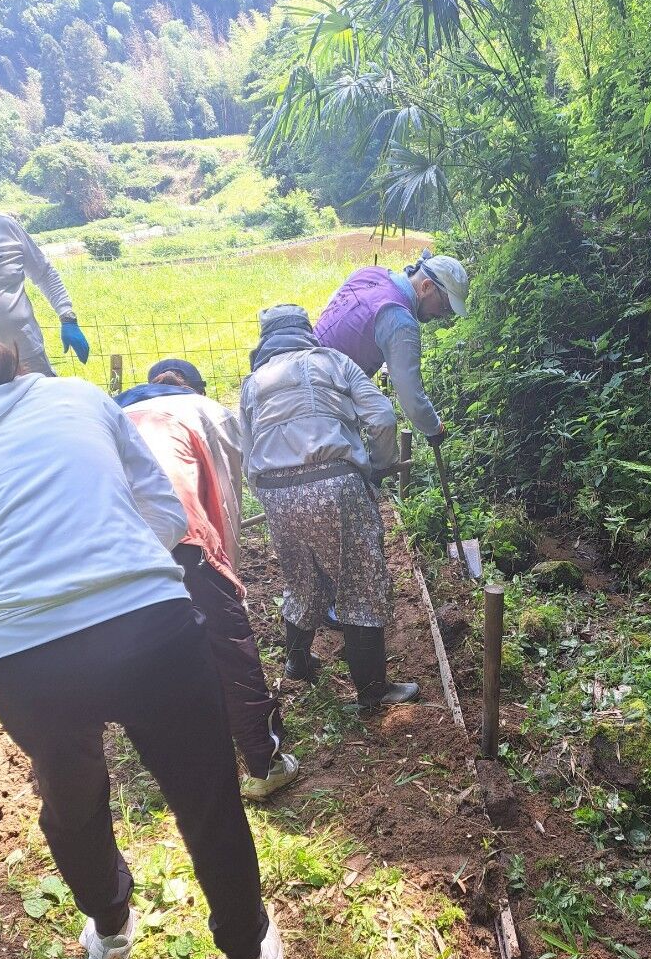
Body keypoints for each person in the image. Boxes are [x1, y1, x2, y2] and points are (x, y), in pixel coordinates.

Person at [0, 336, 282, 959]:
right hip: (148, 625)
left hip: (27, 654)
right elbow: (164, 511)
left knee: (70, 798)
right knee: (205, 793)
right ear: (2, 357)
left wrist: (13, 623)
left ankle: (110, 937)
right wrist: (117, 571)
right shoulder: (77, 397)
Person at [116, 359, 298, 801]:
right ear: (196, 388)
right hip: (180, 532)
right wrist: (226, 575)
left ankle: (179, 764)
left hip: (111, 541)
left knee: (145, 646)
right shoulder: (210, 412)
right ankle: (264, 763)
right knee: (228, 646)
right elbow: (225, 501)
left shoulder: (114, 412)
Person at [241, 304, 419, 707]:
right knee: (360, 581)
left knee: (301, 578)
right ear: (306, 331)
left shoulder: (253, 383)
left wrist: (272, 497)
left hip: (276, 491)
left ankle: (298, 663)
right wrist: (379, 466)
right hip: (336, 484)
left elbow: (247, 453)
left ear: (266, 340)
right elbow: (382, 418)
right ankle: (373, 692)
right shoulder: (335, 362)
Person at [313, 251, 469, 443]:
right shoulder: (400, 320)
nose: (443, 316)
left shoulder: (369, 273)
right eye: (445, 307)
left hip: (301, 359)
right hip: (324, 397)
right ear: (426, 286)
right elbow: (411, 397)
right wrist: (435, 429)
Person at [0, 162, 89, 376]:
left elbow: (44, 273)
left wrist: (67, 317)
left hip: (27, 351)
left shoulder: (4, 226)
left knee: (44, 396)